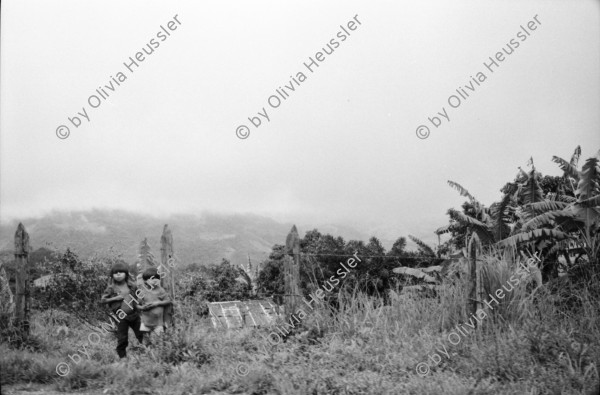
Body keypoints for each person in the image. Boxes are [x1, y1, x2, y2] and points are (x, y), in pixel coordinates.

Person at [100, 261, 144, 360]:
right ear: (112, 275)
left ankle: (146, 356)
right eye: (116, 273)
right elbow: (103, 300)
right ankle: (123, 360)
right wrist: (115, 298)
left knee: (141, 335)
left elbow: (138, 296)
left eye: (121, 272)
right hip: (121, 317)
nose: (118, 274)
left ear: (126, 274)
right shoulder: (111, 288)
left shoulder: (131, 285)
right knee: (123, 339)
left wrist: (139, 302)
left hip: (134, 315)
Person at [138, 267, 172, 346]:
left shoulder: (161, 290)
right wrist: (143, 307)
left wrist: (157, 303)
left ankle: (157, 355)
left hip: (158, 323)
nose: (154, 280)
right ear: (145, 281)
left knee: (158, 341)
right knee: (145, 340)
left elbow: (168, 301)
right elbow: (136, 305)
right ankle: (146, 354)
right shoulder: (143, 292)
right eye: (151, 279)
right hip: (146, 321)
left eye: (156, 278)